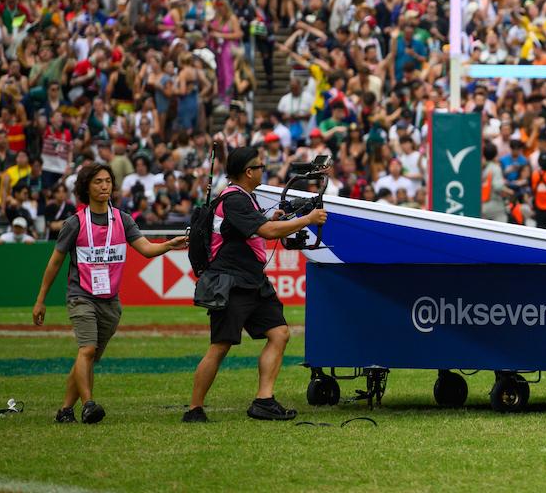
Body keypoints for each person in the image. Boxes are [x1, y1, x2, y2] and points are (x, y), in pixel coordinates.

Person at [31, 163, 188, 424]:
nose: (104, 186)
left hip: (110, 300)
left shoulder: (123, 219)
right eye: (97, 182)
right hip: (80, 295)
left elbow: (146, 249)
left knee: (88, 356)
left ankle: (65, 410)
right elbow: (55, 262)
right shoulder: (75, 223)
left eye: (107, 181)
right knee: (88, 350)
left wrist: (169, 245)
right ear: (86, 187)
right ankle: (88, 405)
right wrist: (40, 300)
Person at [183, 143, 327, 423]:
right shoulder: (234, 200)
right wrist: (306, 219)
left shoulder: (244, 198)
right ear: (248, 172)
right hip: (232, 282)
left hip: (252, 281)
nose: (264, 170)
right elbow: (266, 232)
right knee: (220, 346)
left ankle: (264, 400)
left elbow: (255, 227)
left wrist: (270, 218)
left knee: (279, 333)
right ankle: (194, 409)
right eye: (260, 166)